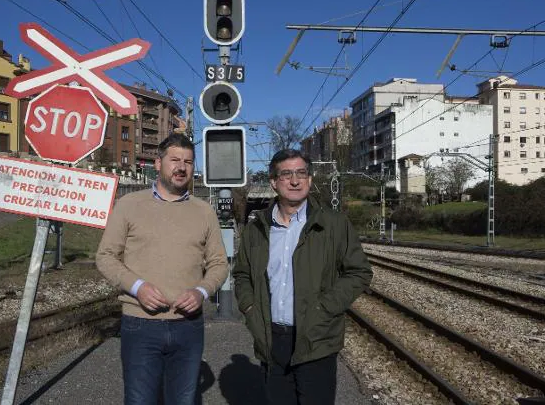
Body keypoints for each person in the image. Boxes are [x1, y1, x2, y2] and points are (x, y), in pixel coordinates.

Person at [96, 133, 228, 405]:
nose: (181, 167)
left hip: (188, 326)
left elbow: (218, 264)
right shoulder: (129, 205)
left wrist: (201, 292)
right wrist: (137, 287)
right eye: (175, 160)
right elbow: (106, 256)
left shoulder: (204, 212)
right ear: (158, 163)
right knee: (140, 400)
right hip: (140, 324)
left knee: (183, 400)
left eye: (188, 162)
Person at [233, 149, 373, 405]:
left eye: (301, 173)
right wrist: (249, 307)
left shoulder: (334, 224)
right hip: (271, 338)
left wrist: (325, 307)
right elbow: (242, 274)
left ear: (309, 179)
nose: (295, 180)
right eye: (286, 174)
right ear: (274, 182)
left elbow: (359, 271)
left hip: (316, 337)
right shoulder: (256, 229)